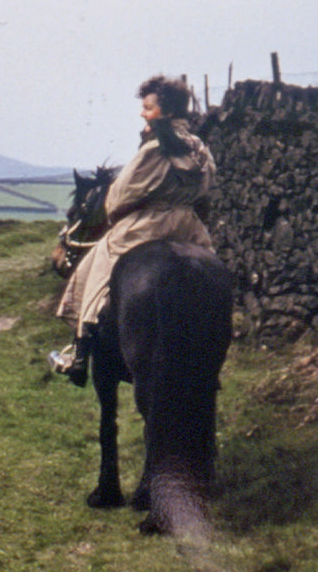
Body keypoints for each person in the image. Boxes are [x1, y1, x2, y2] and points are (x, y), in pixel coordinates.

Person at [51, 75, 217, 386]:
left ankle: (80, 348)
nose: (143, 113)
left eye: (148, 108)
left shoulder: (155, 148)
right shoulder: (201, 149)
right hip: (189, 228)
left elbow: (117, 199)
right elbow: (206, 192)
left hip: (149, 225)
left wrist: (123, 214)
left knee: (98, 266)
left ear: (166, 112)